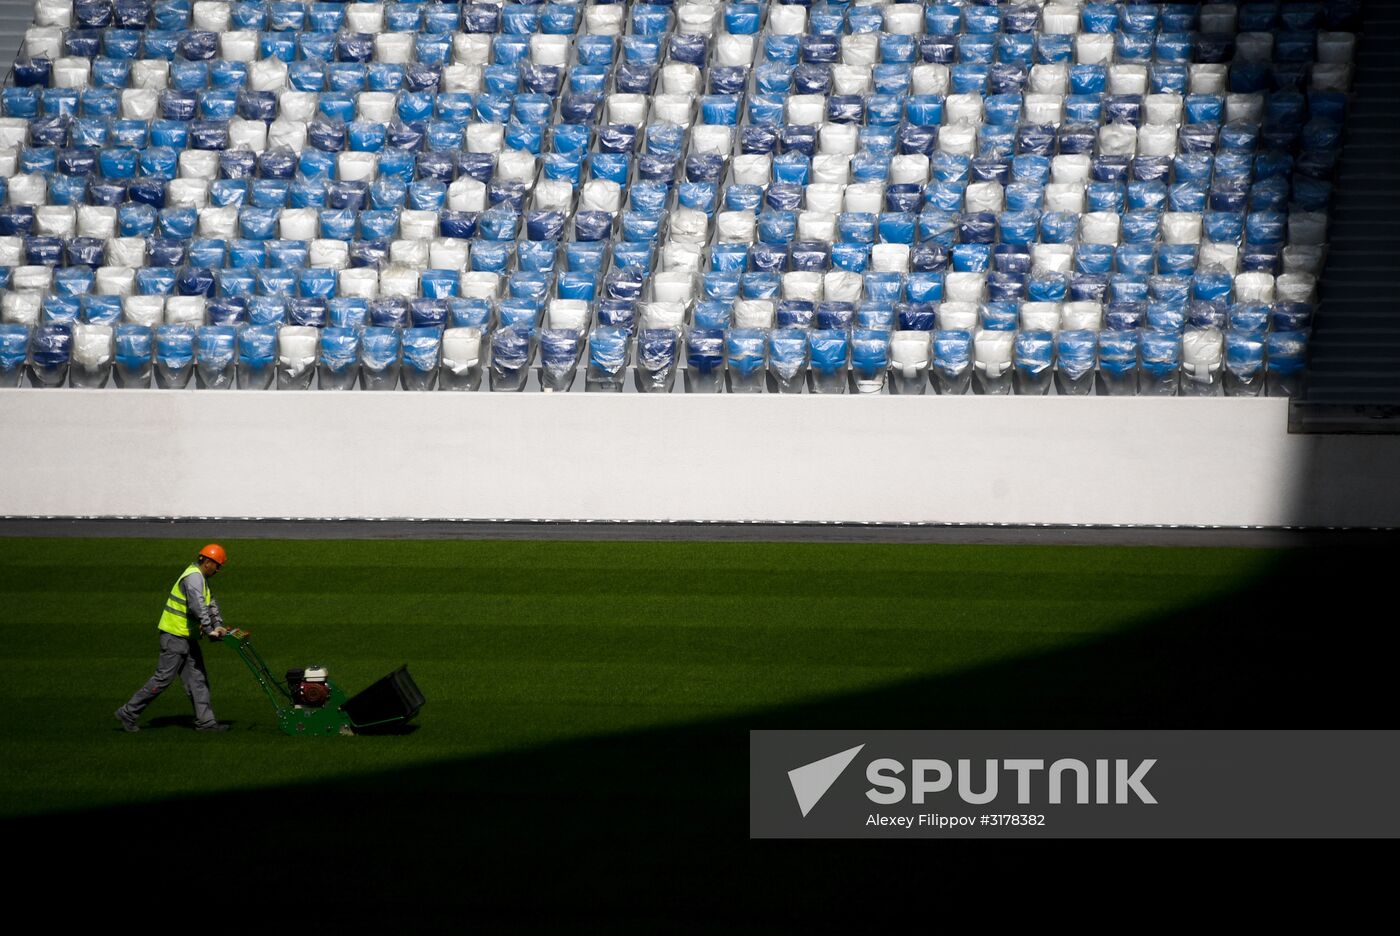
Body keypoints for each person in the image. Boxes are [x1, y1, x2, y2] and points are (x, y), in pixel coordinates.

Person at [115, 544, 232, 733]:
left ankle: (206, 722)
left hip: (186, 637)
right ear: (208, 562)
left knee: (198, 679)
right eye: (217, 566)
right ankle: (128, 712)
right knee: (162, 679)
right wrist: (209, 628)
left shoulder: (201, 579)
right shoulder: (193, 577)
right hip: (174, 637)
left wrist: (218, 623)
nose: (218, 570)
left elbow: (210, 603)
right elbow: (197, 606)